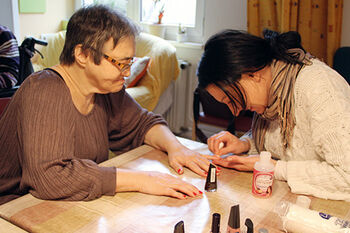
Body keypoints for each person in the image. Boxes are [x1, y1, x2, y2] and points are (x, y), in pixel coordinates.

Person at [0, 5, 212, 205]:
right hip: (13, 207)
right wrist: (142, 180)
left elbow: (142, 124)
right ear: (82, 54)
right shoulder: (44, 90)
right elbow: (51, 177)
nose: (127, 73)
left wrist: (175, 148)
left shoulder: (105, 89)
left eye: (130, 63)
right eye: (121, 64)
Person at [197, 29, 350, 201]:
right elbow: (286, 144)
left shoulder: (319, 88)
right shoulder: (272, 92)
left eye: (231, 99)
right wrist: (246, 144)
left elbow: (346, 176)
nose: (236, 111)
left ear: (252, 74)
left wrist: (275, 168)